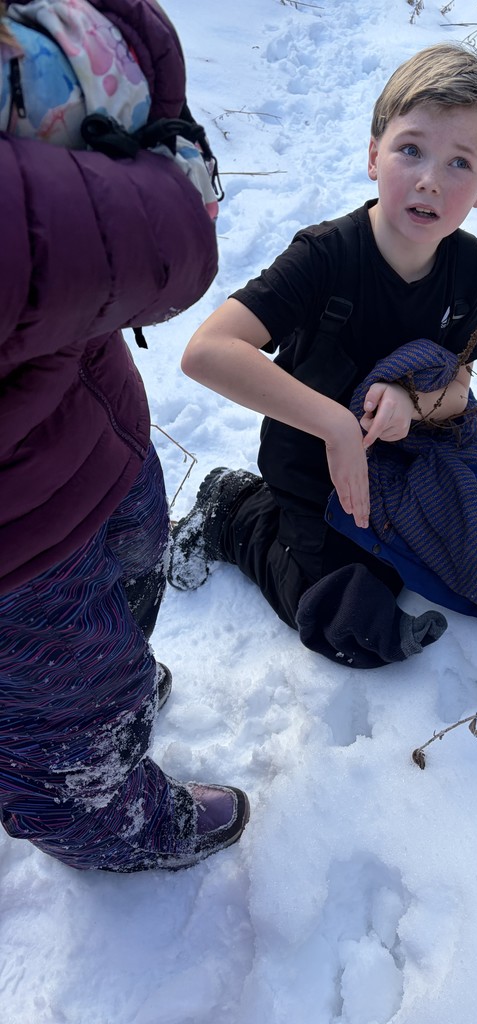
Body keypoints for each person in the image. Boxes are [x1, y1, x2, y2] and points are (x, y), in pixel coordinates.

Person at [168, 42, 477, 668]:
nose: (430, 179)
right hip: (310, 465)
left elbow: (460, 381)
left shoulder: (470, 266)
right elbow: (206, 351)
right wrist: (335, 426)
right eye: (410, 149)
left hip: (404, 458)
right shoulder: (326, 256)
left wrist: (415, 400)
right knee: (349, 618)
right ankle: (235, 513)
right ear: (372, 154)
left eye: (459, 162)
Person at [0, 0, 249, 872]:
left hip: (95, 428)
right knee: (67, 712)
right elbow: (167, 244)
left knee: (132, 575)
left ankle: (112, 704)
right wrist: (155, 148)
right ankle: (104, 819)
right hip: (20, 546)